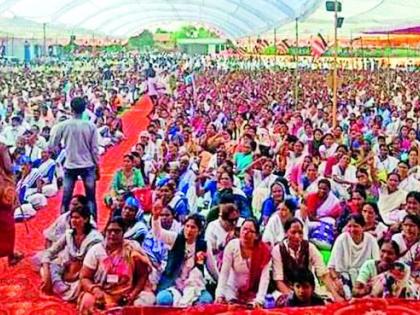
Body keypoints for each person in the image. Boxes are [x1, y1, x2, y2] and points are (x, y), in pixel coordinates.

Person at [78, 217, 151, 313]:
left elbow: (142, 275)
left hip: (127, 295)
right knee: (87, 302)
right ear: (105, 232)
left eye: (117, 231)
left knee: (144, 303)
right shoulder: (96, 251)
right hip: (102, 294)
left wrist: (132, 295)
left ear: (123, 232)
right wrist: (95, 290)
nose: (112, 234)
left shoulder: (132, 249)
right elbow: (84, 277)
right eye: (109, 231)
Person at [151, 200, 213, 307]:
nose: (189, 230)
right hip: (174, 283)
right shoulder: (175, 239)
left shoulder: (204, 245)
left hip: (194, 284)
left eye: (193, 227)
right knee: (163, 299)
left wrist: (221, 286)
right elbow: (158, 233)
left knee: (205, 301)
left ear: (199, 231)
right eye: (187, 226)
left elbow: (212, 268)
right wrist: (156, 217)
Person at [38, 205, 103, 300]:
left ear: (86, 219)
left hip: (84, 274)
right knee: (46, 268)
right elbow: (51, 251)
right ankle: (59, 284)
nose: (73, 220)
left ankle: (60, 287)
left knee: (83, 286)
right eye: (72, 217)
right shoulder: (69, 234)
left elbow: (94, 265)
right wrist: (47, 272)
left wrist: (77, 274)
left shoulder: (95, 239)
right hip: (67, 270)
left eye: (77, 217)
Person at [48, 97, 100, 217]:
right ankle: (93, 224)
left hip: (70, 164)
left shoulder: (63, 125)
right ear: (84, 109)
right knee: (91, 198)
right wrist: (97, 166)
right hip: (88, 164)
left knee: (66, 198)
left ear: (71, 109)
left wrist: (62, 148)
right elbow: (94, 150)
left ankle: (64, 223)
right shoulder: (90, 126)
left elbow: (52, 145)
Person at [215, 219, 271, 308]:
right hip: (231, 289)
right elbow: (224, 273)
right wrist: (219, 295)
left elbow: (265, 278)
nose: (246, 233)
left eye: (251, 231)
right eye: (244, 229)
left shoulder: (264, 251)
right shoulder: (232, 246)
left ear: (256, 236)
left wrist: (259, 300)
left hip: (253, 292)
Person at [328, 214, 380, 298]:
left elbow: (376, 263)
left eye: (355, 226)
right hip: (345, 277)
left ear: (363, 227)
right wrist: (337, 281)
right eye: (349, 226)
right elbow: (332, 268)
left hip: (366, 279)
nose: (352, 230)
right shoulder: (341, 239)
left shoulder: (371, 240)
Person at [0, 141, 23, 266]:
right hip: (2, 188)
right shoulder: (2, 147)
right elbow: (8, 167)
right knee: (6, 221)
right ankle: (10, 254)